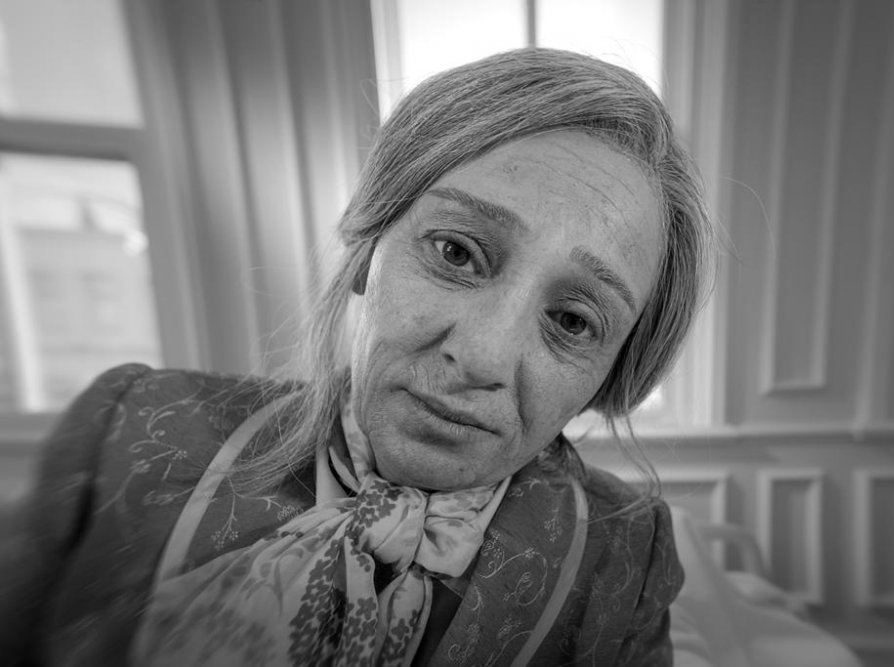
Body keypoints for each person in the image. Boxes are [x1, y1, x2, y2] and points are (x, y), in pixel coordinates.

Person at [0, 47, 711, 666]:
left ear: (611, 375)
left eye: (573, 321)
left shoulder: (625, 555)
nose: (482, 356)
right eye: (457, 253)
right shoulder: (127, 429)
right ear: (370, 246)